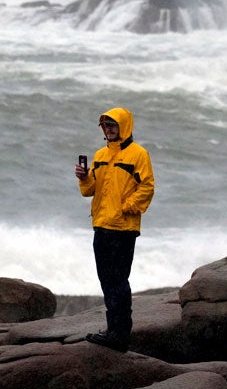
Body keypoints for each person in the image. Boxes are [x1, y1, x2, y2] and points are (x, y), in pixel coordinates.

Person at [75, 107, 155, 352]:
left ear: (124, 126)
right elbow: (89, 190)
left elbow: (147, 187)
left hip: (123, 228)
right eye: (105, 126)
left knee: (118, 280)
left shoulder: (138, 154)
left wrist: (125, 208)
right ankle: (113, 331)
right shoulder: (100, 154)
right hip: (101, 226)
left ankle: (120, 334)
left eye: (112, 125)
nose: (108, 129)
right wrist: (84, 177)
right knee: (106, 280)